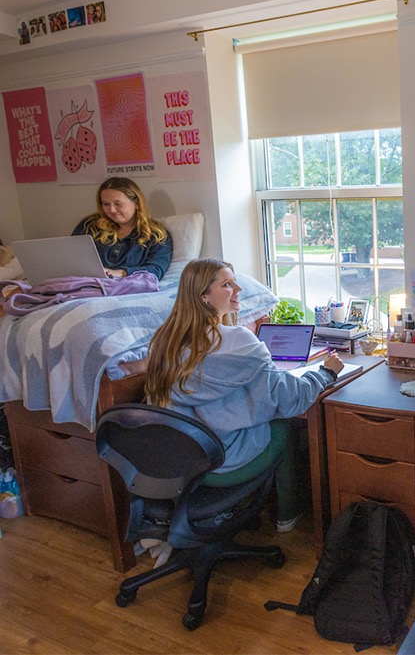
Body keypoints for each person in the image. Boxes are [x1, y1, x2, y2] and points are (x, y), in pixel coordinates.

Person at [144, 258, 345, 534]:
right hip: (225, 462)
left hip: (184, 461)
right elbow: (290, 398)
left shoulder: (163, 343)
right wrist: (326, 373)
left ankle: (239, 508)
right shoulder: (240, 341)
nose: (238, 288)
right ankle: (288, 513)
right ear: (203, 296)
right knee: (282, 420)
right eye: (227, 284)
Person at [72, 177, 173, 279]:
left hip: (127, 287)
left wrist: (123, 272)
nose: (111, 210)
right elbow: (71, 257)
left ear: (136, 203)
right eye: (106, 204)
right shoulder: (89, 226)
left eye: (118, 204)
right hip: (88, 285)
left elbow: (157, 270)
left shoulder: (156, 235)